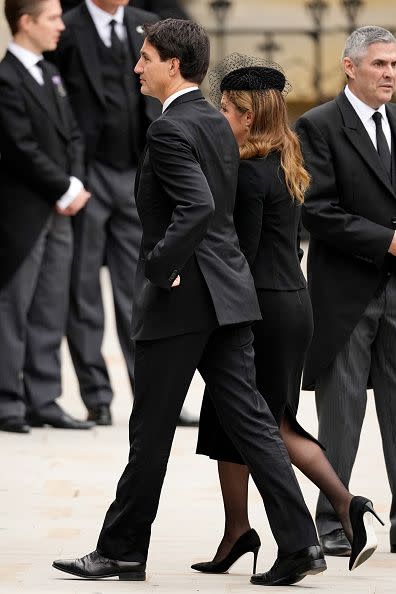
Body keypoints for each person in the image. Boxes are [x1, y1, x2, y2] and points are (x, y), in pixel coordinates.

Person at [52, 19, 327, 586]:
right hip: (229, 295)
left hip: (183, 300)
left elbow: (197, 209)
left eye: (146, 57)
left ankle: (122, 550)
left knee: (150, 429)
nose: (137, 67)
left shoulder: (170, 128)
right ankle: (301, 543)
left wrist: (158, 266)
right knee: (253, 423)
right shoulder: (211, 121)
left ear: (173, 65)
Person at [193, 53, 383, 575]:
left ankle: (347, 506)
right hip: (287, 301)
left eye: (228, 109)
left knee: (268, 424)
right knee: (227, 421)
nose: (222, 119)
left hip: (262, 309)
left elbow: (241, 255)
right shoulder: (285, 157)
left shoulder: (250, 173)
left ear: (248, 114)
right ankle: (237, 531)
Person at [295, 25, 396, 557]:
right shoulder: (317, 126)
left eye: (394, 65)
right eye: (379, 64)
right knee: (342, 413)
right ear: (350, 67)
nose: (389, 74)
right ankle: (333, 520)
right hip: (346, 292)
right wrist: (388, 242)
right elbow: (317, 210)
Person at [0, 0, 94, 433]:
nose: (61, 25)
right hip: (24, 211)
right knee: (13, 307)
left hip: (60, 207)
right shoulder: (5, 79)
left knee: (50, 306)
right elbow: (19, 148)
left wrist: (72, 184)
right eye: (53, 18)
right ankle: (7, 402)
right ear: (26, 22)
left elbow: (72, 133)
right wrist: (63, 187)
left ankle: (44, 398)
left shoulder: (51, 73)